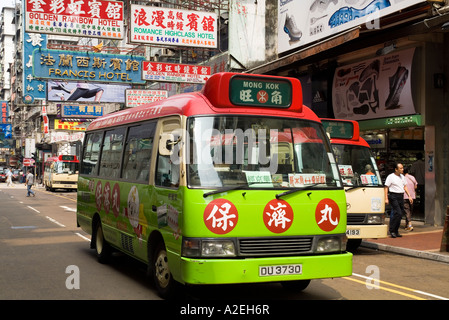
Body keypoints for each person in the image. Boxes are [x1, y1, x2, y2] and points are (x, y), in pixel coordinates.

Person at [384, 163, 412, 238]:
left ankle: (396, 231)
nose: (402, 169)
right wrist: (386, 198)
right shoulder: (391, 177)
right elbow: (386, 187)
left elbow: (405, 186)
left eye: (402, 168)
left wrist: (409, 196)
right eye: (400, 168)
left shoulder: (402, 177)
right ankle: (392, 230)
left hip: (400, 196)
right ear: (396, 169)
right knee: (398, 213)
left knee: (400, 215)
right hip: (393, 196)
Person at [403, 166, 417, 231]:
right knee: (410, 210)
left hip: (405, 196)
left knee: (407, 210)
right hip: (412, 196)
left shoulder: (402, 178)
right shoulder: (412, 177)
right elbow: (416, 186)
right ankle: (407, 225)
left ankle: (410, 224)